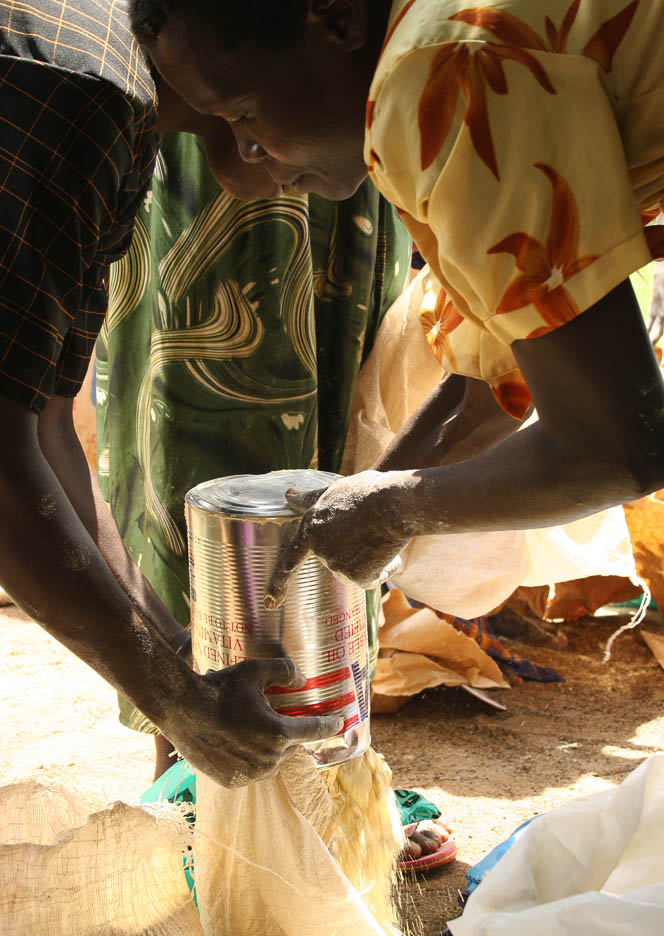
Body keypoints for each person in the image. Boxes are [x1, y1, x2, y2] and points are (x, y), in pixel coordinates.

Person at [130, 0, 664, 606]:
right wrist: (367, 495)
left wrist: (390, 513)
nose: (246, 153)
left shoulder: (437, 74)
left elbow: (618, 448)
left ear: (338, 21)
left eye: (244, 114)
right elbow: (491, 384)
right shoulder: (430, 48)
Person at [0, 0, 346, 789]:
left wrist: (177, 656)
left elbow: (45, 428)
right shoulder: (82, 95)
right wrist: (177, 703)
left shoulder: (122, 107)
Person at [97, 127, 410, 776]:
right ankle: (191, 757)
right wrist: (174, 682)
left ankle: (338, 758)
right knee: (189, 426)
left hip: (334, 163)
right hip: (194, 171)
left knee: (345, 444)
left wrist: (397, 504)